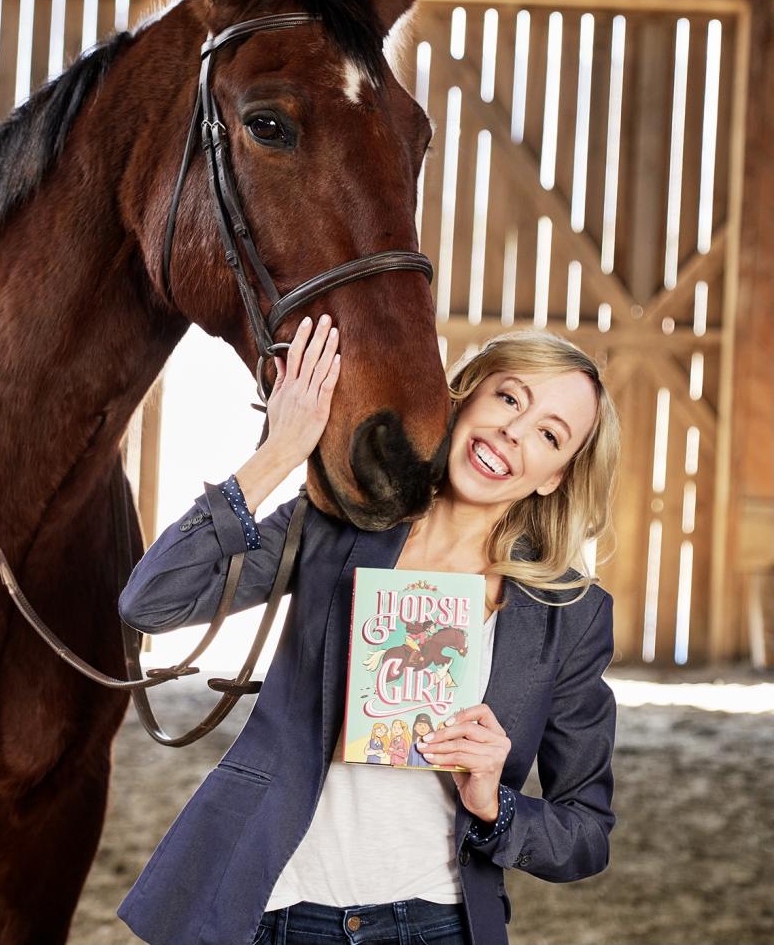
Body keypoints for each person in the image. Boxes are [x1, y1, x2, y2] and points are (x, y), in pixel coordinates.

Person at [117, 317, 620, 945]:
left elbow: (586, 832)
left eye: (549, 434)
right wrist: (280, 451)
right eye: (510, 397)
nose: (513, 433)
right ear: (465, 394)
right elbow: (152, 602)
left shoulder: (569, 614)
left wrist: (496, 802)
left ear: (555, 475)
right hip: (273, 905)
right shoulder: (340, 521)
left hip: (433, 921)